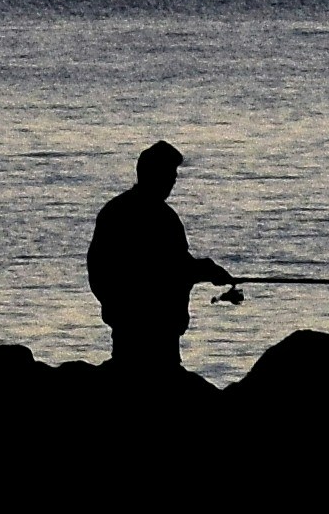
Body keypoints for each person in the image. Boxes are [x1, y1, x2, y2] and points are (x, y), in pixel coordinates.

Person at [87, 139, 242, 380]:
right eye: (169, 174)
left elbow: (99, 271)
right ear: (153, 174)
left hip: (135, 334)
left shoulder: (117, 211)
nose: (172, 181)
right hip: (152, 338)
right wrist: (206, 270)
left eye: (174, 175)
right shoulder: (160, 218)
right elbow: (170, 269)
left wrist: (204, 270)